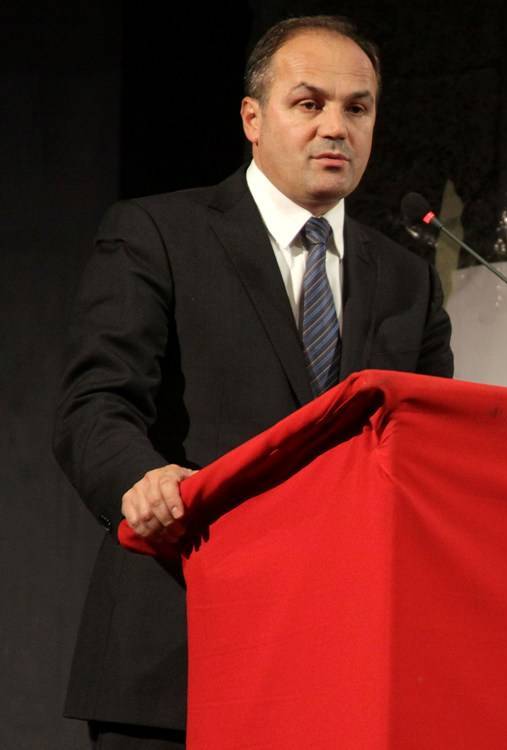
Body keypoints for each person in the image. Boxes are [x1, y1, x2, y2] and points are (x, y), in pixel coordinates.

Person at [53, 16, 453, 748]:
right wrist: (140, 479)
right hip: (181, 646)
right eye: (309, 103)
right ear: (252, 119)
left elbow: (427, 456)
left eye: (357, 108)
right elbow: (95, 404)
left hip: (340, 667)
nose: (335, 128)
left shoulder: (408, 281)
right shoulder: (159, 233)